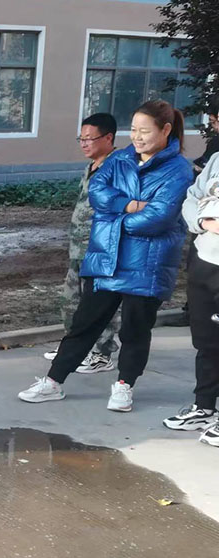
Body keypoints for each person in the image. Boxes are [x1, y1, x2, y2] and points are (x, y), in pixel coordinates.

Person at [19, 100, 194, 412]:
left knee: (135, 330)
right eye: (134, 130)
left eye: (145, 131)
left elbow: (159, 217)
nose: (137, 137)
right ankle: (53, 381)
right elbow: (98, 192)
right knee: (84, 323)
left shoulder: (178, 169)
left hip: (147, 264)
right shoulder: (121, 159)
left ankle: (125, 385)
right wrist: (129, 206)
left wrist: (113, 220)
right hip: (106, 259)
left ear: (166, 130)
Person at [44, 113, 120, 373]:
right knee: (71, 300)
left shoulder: (117, 168)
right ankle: (73, 348)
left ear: (108, 138)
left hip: (99, 249)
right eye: (82, 138)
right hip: (78, 247)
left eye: (90, 138)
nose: (84, 143)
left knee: (97, 304)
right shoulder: (91, 167)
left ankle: (102, 353)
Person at [163, 151, 219, 440]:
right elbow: (192, 198)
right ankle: (205, 406)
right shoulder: (217, 159)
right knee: (206, 340)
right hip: (205, 259)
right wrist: (205, 221)